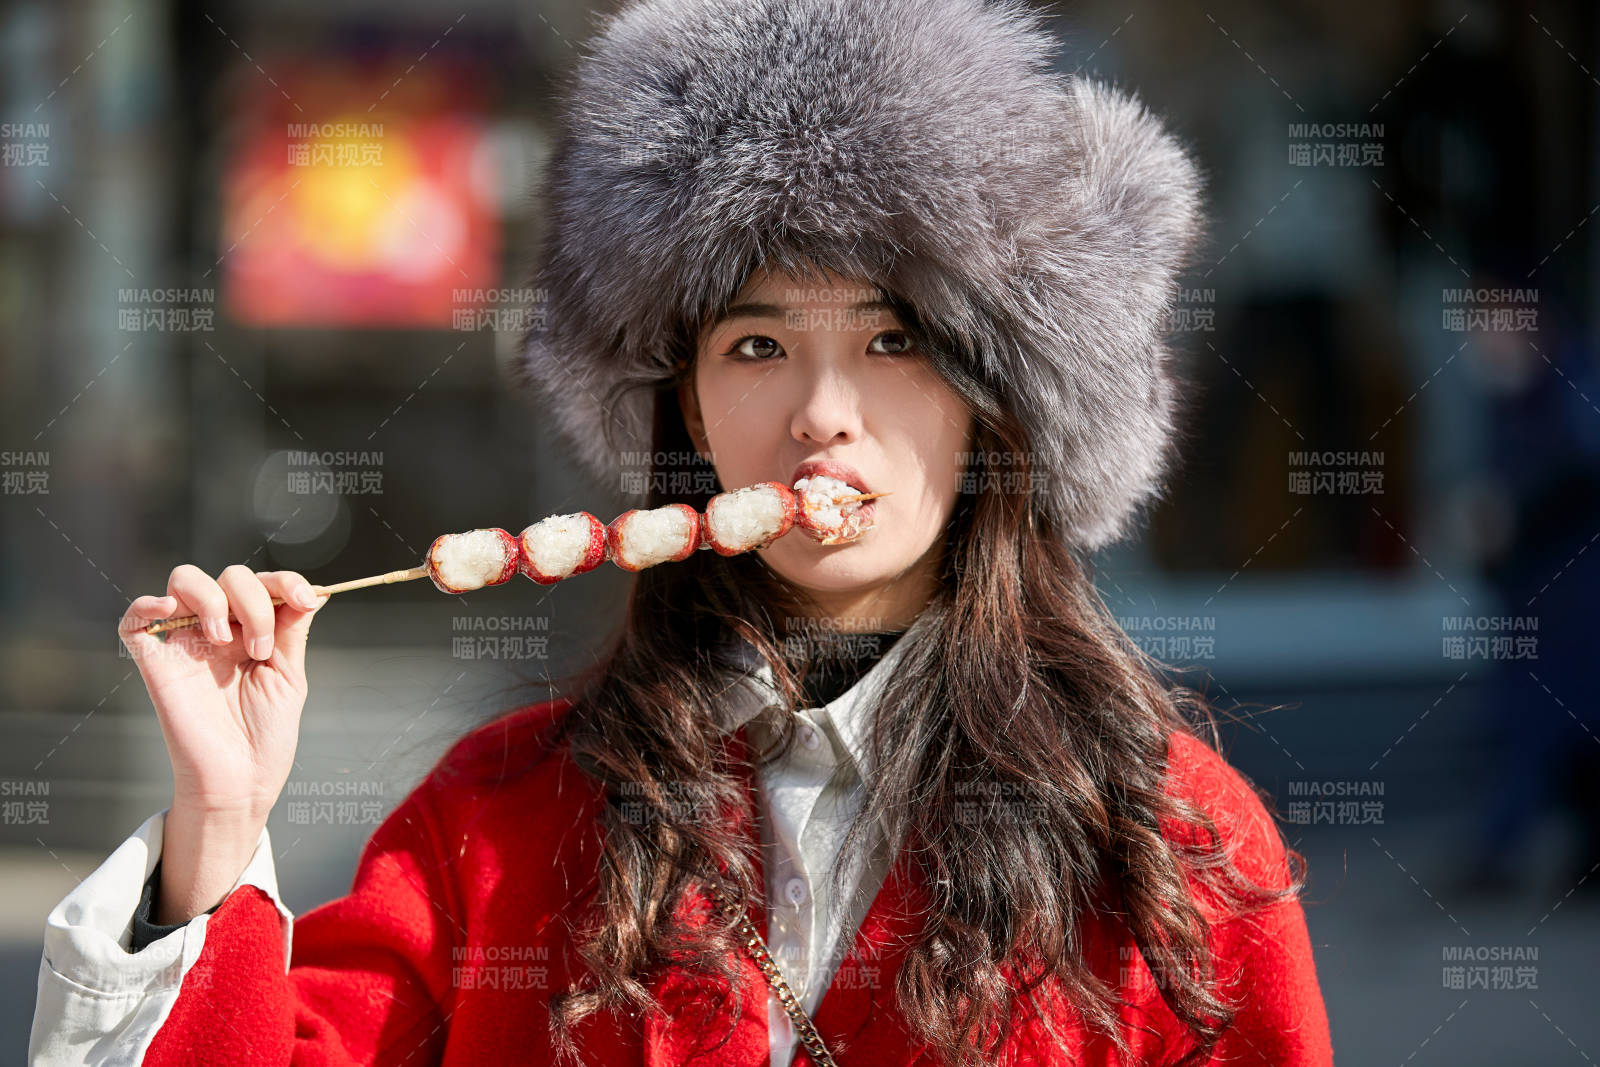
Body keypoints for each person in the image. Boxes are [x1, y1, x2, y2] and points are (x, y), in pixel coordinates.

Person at [29, 1, 1336, 1064]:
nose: (823, 416)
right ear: (690, 410)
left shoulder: (1169, 848)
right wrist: (218, 821)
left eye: (894, 342)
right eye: (758, 344)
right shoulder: (495, 827)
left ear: (992, 408)